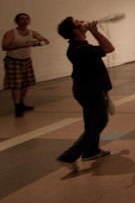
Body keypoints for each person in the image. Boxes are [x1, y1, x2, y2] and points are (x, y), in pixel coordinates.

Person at [55, 17, 115, 171]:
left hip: (87, 90)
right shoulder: (79, 49)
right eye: (78, 23)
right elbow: (109, 48)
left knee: (90, 122)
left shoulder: (80, 46)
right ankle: (69, 155)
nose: (82, 21)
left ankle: (91, 151)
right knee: (100, 121)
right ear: (76, 30)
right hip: (89, 92)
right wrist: (96, 32)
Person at [3, 13, 50, 117]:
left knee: (25, 83)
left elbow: (45, 40)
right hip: (13, 61)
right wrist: (19, 46)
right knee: (16, 84)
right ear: (17, 21)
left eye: (26, 19)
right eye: (22, 19)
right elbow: (5, 46)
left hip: (26, 60)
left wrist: (40, 42)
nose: (24, 21)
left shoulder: (31, 33)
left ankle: (21, 103)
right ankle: (17, 105)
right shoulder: (11, 33)